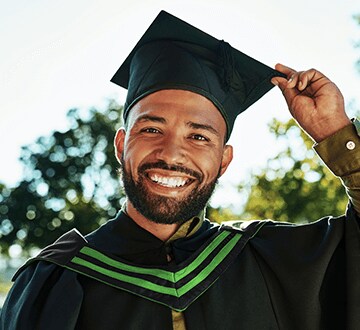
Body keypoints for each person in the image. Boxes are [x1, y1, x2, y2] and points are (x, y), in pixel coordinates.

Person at [1, 10, 360, 330]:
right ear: (122, 144)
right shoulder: (55, 280)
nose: (172, 154)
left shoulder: (273, 260)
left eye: (199, 137)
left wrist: (335, 133)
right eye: (152, 129)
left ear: (224, 161)